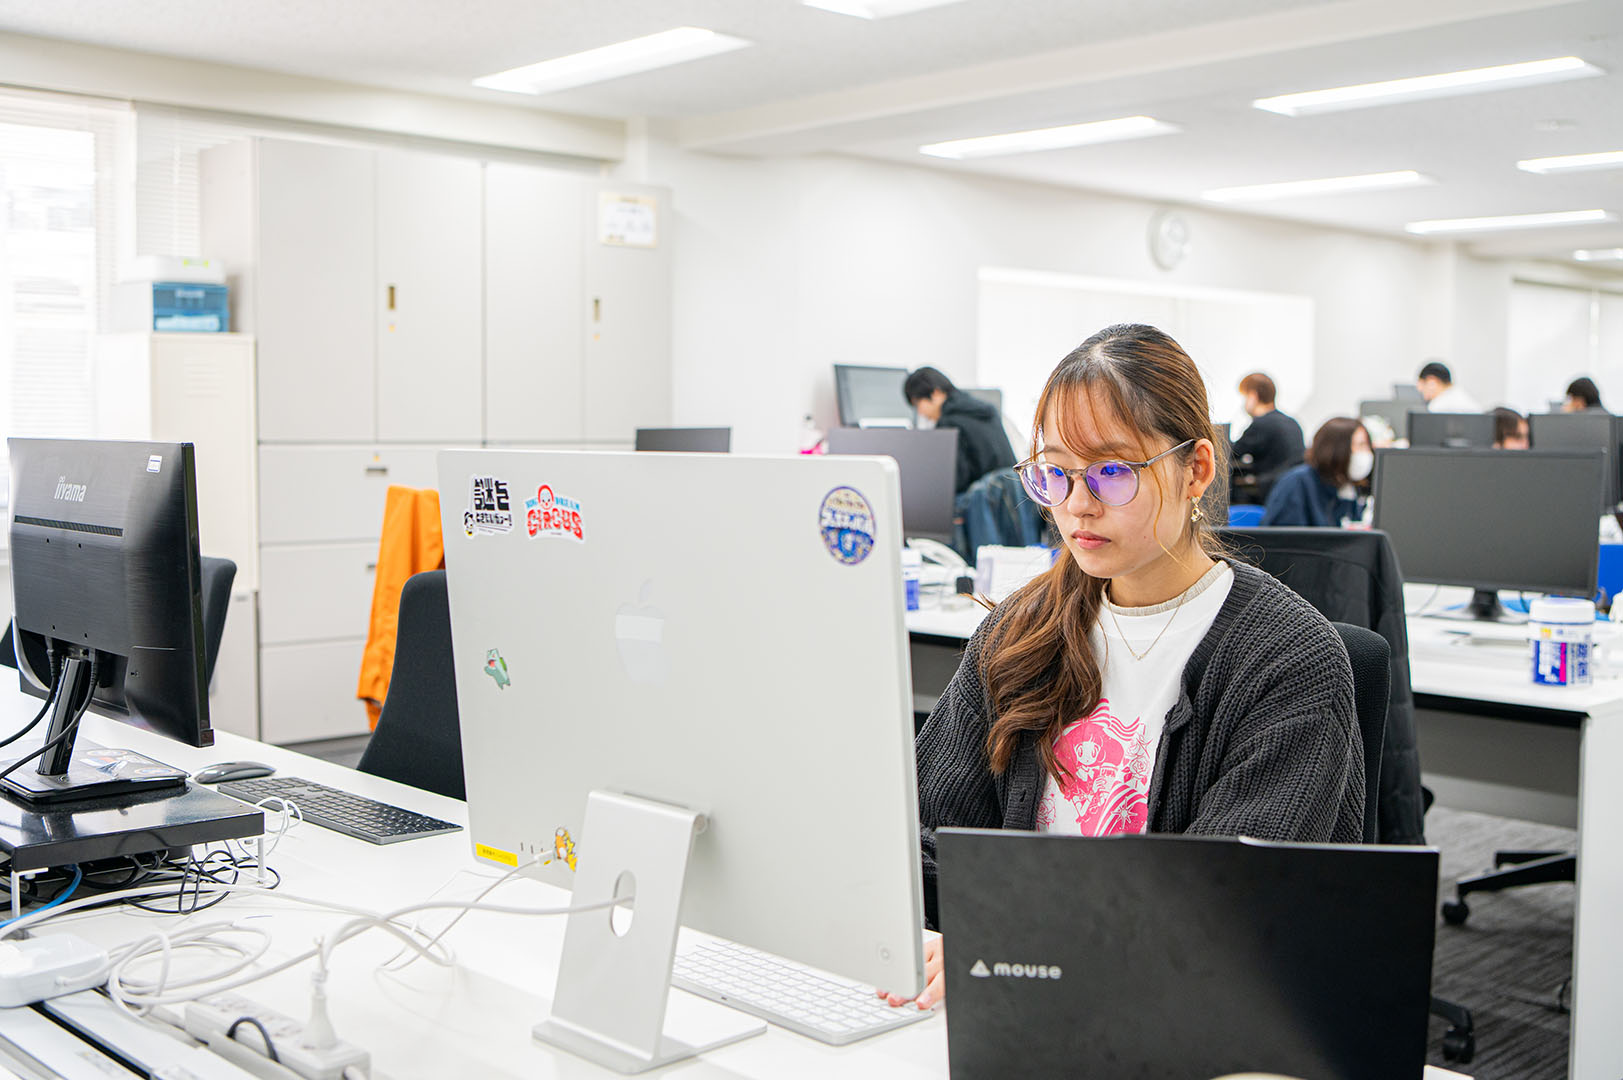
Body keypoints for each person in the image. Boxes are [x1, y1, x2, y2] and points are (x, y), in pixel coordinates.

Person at [887, 324, 1363, 1012]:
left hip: (1181, 1018)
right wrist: (947, 941)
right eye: (1054, 472)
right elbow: (926, 836)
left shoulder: (1288, 659)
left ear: (1196, 470)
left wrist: (1008, 945)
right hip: (1006, 1002)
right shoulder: (1018, 632)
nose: (1077, 503)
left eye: (1112, 472)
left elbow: (1219, 909)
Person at [903, 367, 1016, 494]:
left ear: (936, 393)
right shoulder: (986, 411)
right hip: (1011, 495)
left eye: (918, 404)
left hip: (986, 498)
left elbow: (955, 480)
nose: (920, 412)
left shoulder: (948, 422)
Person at [1260, 418, 1372, 527]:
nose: (1367, 452)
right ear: (1338, 448)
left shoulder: (1347, 487)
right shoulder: (1297, 483)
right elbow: (1286, 535)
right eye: (1361, 445)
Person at [1229, 372, 1305, 503]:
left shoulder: (1262, 424)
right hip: (1290, 493)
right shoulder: (1292, 422)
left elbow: (1232, 452)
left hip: (1268, 493)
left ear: (1253, 396)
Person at [1416, 361, 1481, 413]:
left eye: (1422, 387)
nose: (1420, 390)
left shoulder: (1438, 405)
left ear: (1432, 381)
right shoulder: (1463, 396)